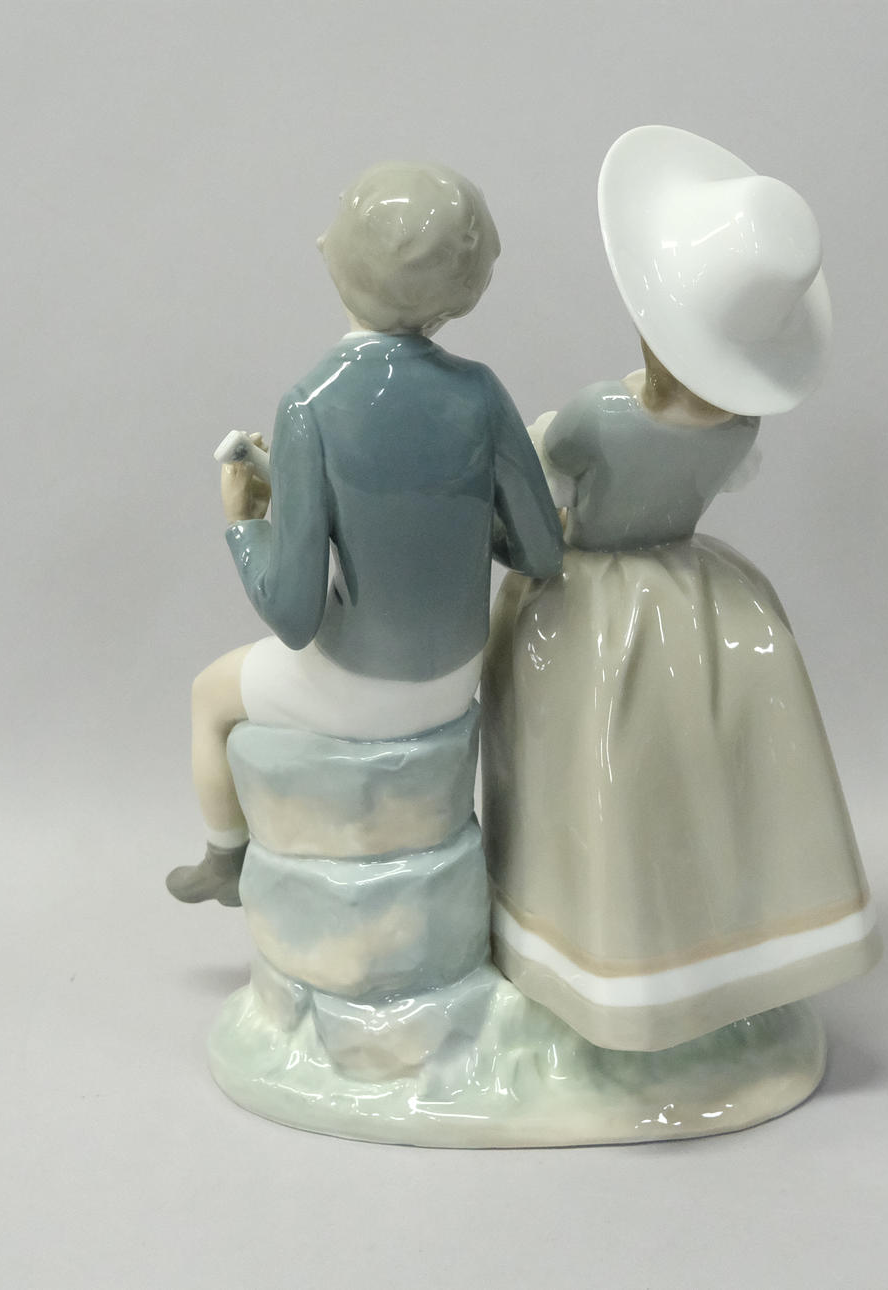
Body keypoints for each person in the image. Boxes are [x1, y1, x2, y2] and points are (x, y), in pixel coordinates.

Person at [481, 126, 880, 1052]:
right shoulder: (739, 429)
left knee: (599, 767)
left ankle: (609, 953)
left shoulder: (600, 414)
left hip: (591, 597)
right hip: (694, 593)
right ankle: (706, 941)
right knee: (696, 774)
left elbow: (545, 487)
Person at [168, 161, 563, 905]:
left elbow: (293, 617)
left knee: (208, 695)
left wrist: (246, 521)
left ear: (338, 258)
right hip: (457, 677)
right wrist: (456, 523)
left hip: (359, 685)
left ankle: (224, 858)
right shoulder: (481, 392)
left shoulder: (309, 405)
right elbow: (541, 551)